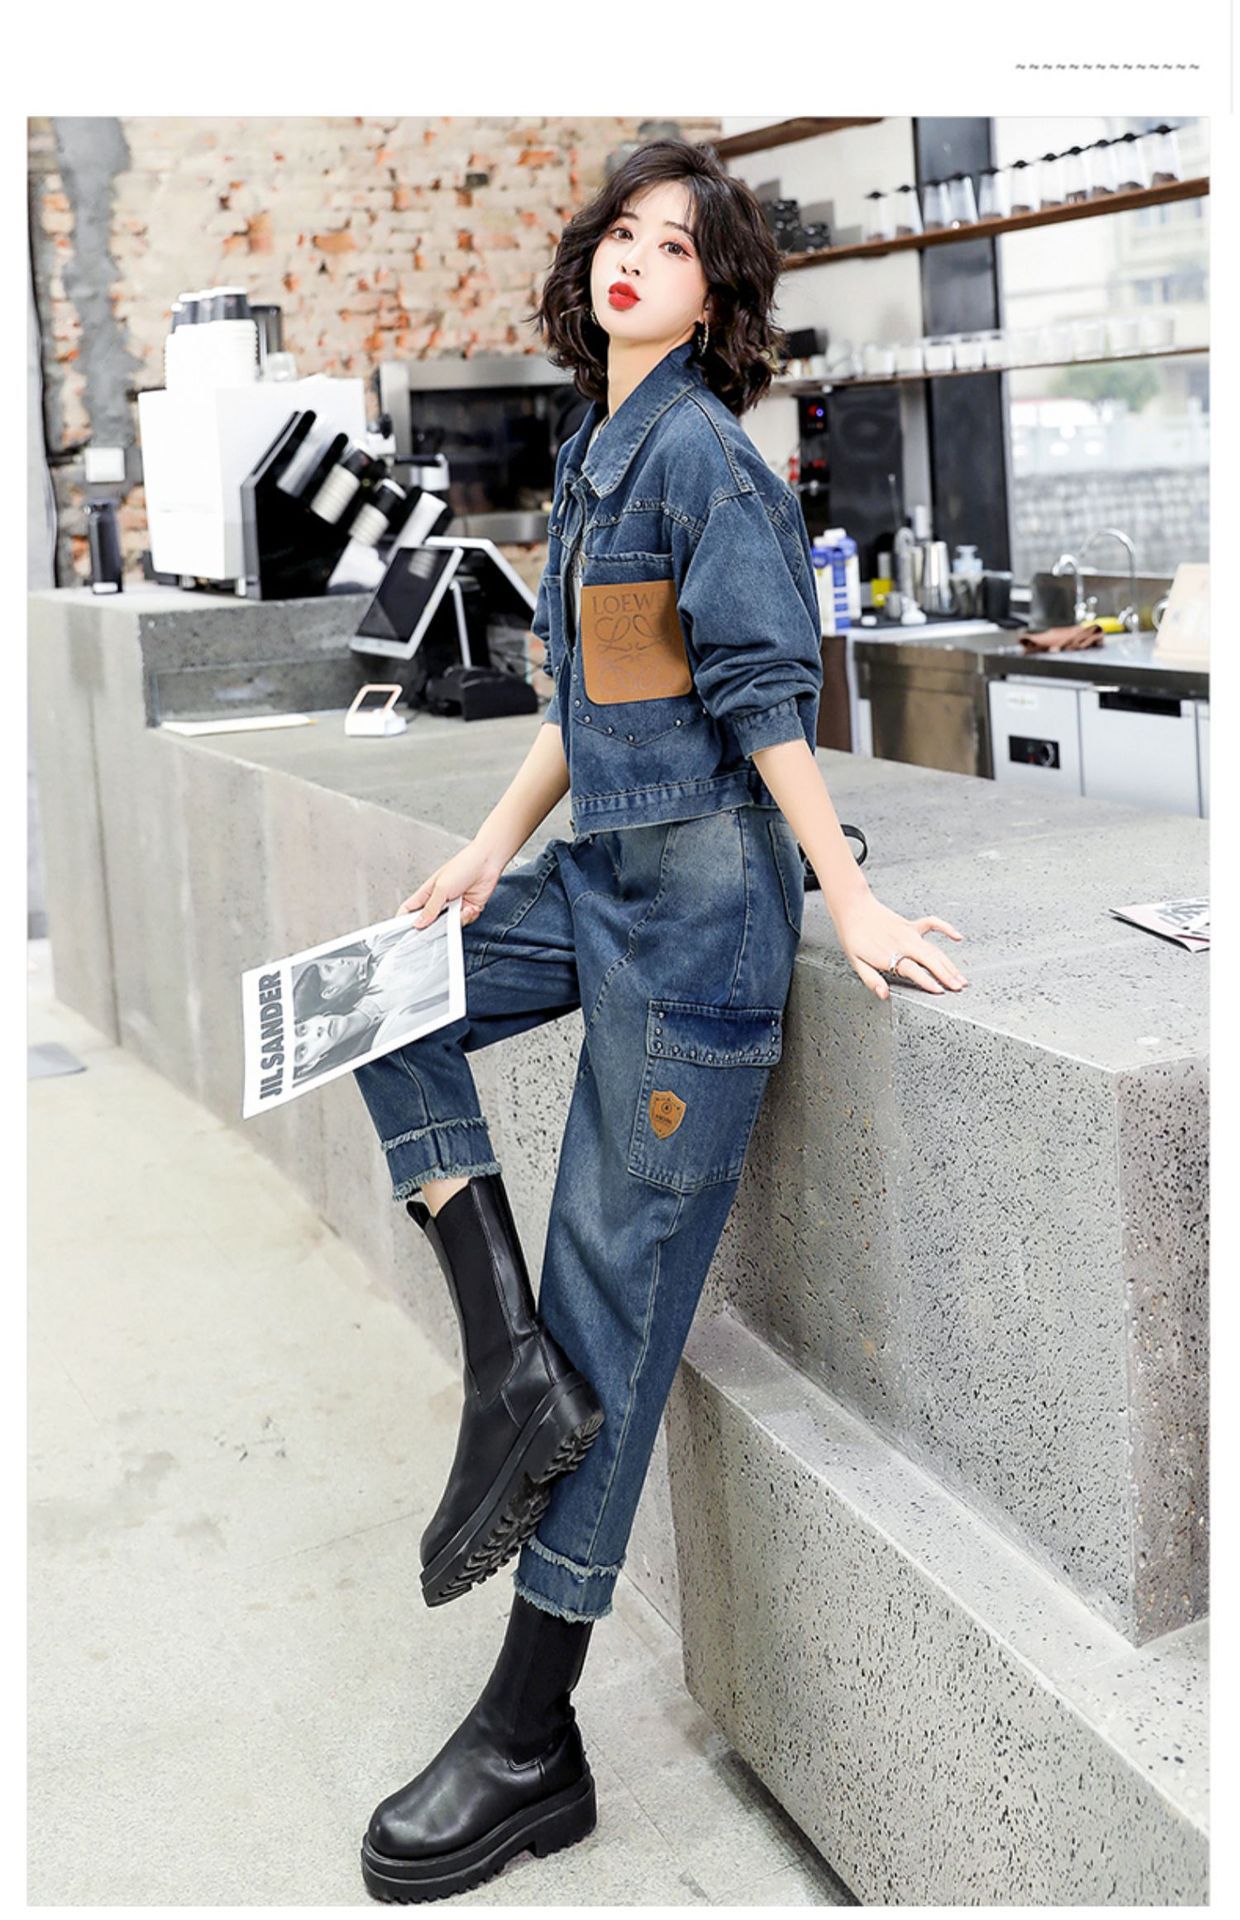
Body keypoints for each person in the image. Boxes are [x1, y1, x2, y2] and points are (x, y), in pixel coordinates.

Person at [350, 135, 969, 1903]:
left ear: (717, 298)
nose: (636, 260)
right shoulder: (599, 446)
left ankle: (528, 1741)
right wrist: (487, 850)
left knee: (613, 1321)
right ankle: (506, 1368)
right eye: (622, 232)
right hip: (594, 881)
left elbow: (770, 700)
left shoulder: (705, 459)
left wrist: (845, 895)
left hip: (698, 927)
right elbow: (586, 694)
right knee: (383, 992)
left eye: (677, 247)